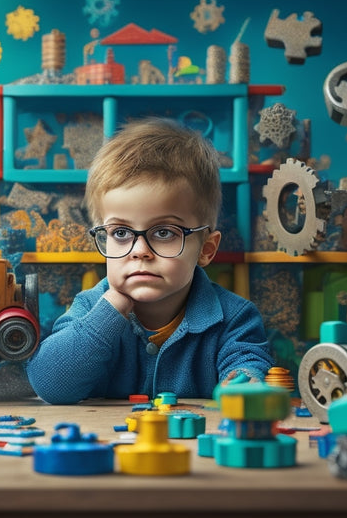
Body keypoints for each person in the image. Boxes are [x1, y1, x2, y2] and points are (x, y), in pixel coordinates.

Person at [26, 117, 274, 404]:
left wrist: (243, 380)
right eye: (120, 232)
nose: (139, 250)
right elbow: (49, 384)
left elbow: (249, 367)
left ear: (206, 248)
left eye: (164, 232)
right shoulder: (91, 307)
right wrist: (110, 312)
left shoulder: (234, 317)